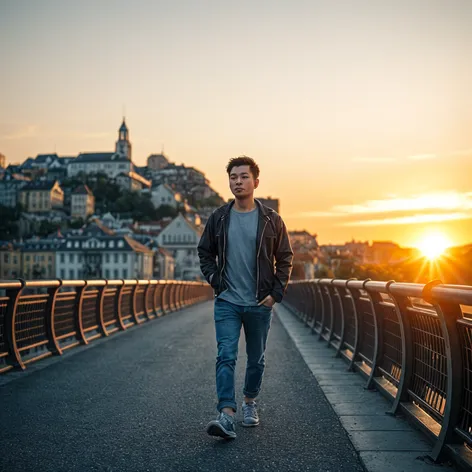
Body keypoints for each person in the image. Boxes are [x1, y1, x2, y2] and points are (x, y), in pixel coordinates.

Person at [197, 156, 293, 439]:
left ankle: (250, 401)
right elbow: (205, 252)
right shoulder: (219, 218)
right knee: (225, 355)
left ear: (256, 182)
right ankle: (226, 414)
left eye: (243, 177)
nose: (237, 181)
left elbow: (285, 257)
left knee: (256, 359)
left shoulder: (271, 220)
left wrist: (275, 294)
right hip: (227, 301)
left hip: (259, 303)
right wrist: (216, 281)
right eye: (233, 177)